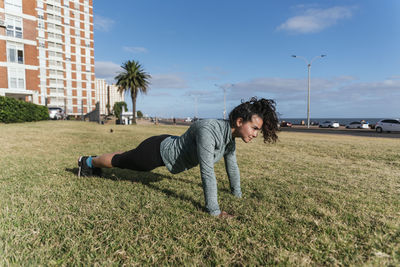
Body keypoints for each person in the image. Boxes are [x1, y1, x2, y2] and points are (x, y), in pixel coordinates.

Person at [78, 97, 279, 217]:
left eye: (258, 130)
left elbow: (232, 166)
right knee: (121, 161)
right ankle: (87, 162)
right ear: (239, 121)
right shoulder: (209, 130)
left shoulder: (229, 140)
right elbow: (207, 172)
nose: (255, 134)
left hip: (164, 146)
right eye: (254, 128)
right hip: (157, 152)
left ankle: (92, 161)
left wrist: (237, 194)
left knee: (125, 156)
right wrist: (214, 211)